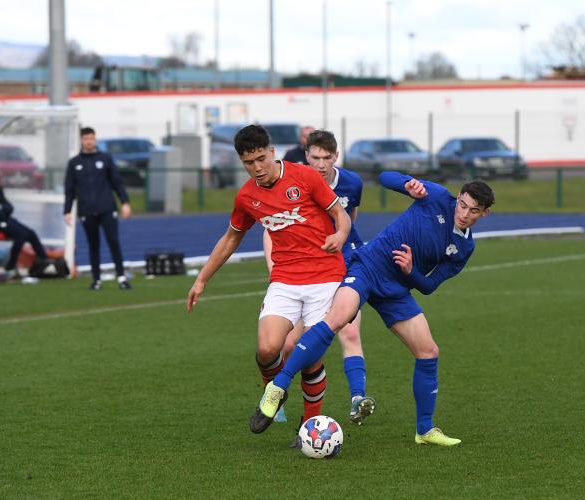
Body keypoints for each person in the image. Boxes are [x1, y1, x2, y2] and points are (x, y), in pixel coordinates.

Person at [251, 171, 495, 447]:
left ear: (484, 214)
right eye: (462, 204)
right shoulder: (437, 196)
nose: (464, 213)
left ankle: (424, 430)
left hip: (397, 288)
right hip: (368, 266)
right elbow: (383, 177)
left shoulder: (464, 247)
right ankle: (278, 386)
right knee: (338, 318)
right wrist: (407, 185)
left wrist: (411, 271)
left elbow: (429, 286)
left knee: (428, 352)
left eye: (473, 211)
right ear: (458, 197)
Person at [185, 124, 351, 438]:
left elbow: (340, 215)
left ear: (272, 152)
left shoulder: (305, 177)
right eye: (249, 162)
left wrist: (340, 234)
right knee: (266, 349)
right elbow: (231, 239)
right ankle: (275, 391)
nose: (257, 168)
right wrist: (202, 279)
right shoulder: (247, 196)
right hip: (285, 279)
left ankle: (308, 426)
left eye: (261, 158)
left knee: (311, 356)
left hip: (325, 276)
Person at [263, 129, 375, 426]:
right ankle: (277, 394)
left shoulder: (352, 182)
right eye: (316, 157)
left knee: (349, 333)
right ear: (306, 156)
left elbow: (349, 218)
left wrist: (341, 241)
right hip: (304, 270)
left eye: (328, 158)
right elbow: (270, 228)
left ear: (336, 156)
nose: (322, 164)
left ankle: (357, 399)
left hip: (346, 262)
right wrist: (274, 271)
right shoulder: (291, 182)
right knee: (288, 346)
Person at [63, 127, 132, 290]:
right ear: (81, 140)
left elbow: (117, 183)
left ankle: (121, 277)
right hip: (87, 210)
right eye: (86, 138)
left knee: (113, 241)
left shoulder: (105, 159)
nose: (89, 141)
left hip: (107, 208)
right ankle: (96, 280)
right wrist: (67, 210)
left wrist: (125, 202)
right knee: (93, 244)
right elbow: (70, 189)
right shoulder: (74, 163)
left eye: (92, 138)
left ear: (95, 140)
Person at [0, 167, 48, 277]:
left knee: (31, 233)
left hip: (5, 220)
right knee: (22, 235)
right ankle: (10, 266)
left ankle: (44, 261)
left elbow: (9, 207)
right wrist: (2, 210)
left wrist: (1, 209)